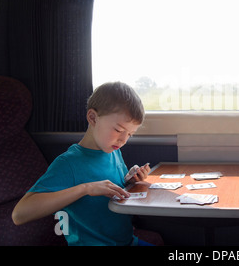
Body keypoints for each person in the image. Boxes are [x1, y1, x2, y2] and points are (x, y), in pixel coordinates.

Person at [12, 82, 152, 246]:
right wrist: (86, 188)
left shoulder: (113, 152)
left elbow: (112, 191)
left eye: (130, 134)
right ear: (93, 118)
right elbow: (19, 215)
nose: (123, 140)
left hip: (127, 241)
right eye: (119, 130)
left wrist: (130, 182)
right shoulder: (68, 164)